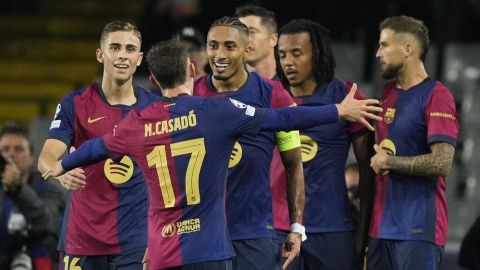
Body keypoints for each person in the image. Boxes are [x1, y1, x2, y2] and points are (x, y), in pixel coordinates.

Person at [41, 38, 382, 270]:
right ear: (192, 70)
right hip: (209, 250)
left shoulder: (135, 124)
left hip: (162, 253)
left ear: (154, 81)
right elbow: (284, 117)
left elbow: (93, 149)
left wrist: (60, 165)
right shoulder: (219, 111)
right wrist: (338, 110)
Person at [37, 21, 157, 269]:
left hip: (135, 241)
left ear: (139, 58)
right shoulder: (76, 103)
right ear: (101, 55)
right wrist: (62, 173)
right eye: (115, 47)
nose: (123, 55)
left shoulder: (155, 108)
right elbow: (46, 157)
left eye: (130, 49)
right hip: (81, 239)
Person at [194, 16, 305, 270]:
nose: (219, 54)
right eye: (213, 45)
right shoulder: (190, 94)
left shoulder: (274, 95)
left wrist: (296, 228)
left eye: (230, 46)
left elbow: (294, 163)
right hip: (200, 235)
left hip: (254, 234)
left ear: (248, 50)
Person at [277, 19, 376, 270]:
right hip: (280, 229)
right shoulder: (271, 96)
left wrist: (362, 233)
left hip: (332, 230)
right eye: (282, 54)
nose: (288, 61)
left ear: (318, 53)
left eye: (296, 53)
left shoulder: (346, 97)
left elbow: (367, 171)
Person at [369, 15, 459, 270]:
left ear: (408, 49)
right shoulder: (387, 93)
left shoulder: (437, 96)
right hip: (381, 228)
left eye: (385, 45)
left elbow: (441, 162)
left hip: (417, 230)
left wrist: (390, 162)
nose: (377, 53)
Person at [235, 6, 303, 269]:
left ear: (274, 39)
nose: (244, 40)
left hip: (280, 225)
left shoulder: (287, 92)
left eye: (251, 32)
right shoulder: (220, 93)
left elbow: (296, 164)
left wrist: (297, 226)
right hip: (233, 225)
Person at [0, 122, 66, 270]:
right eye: (5, 149)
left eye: (18, 149)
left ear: (31, 158)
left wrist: (17, 189)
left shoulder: (50, 190)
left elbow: (46, 221)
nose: (11, 154)